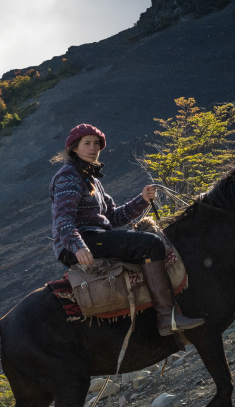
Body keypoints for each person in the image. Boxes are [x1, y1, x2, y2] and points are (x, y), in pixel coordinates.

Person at [51, 124, 203, 336]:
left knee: (150, 240)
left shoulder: (92, 179)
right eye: (87, 143)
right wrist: (78, 246)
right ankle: (167, 318)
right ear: (74, 148)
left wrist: (142, 200)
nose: (93, 148)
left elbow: (113, 217)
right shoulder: (68, 175)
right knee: (150, 244)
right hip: (80, 243)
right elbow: (63, 218)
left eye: (97, 144)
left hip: (96, 237)